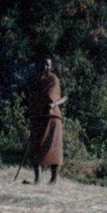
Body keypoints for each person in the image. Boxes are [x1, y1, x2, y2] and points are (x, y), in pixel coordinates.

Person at [24, 57, 65, 185]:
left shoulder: (53, 79)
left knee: (54, 148)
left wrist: (40, 102)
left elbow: (50, 98)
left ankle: (54, 179)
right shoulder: (37, 81)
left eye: (47, 65)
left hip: (52, 117)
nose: (45, 68)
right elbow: (33, 97)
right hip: (38, 117)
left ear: (51, 66)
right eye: (43, 65)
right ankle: (37, 179)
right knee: (35, 146)